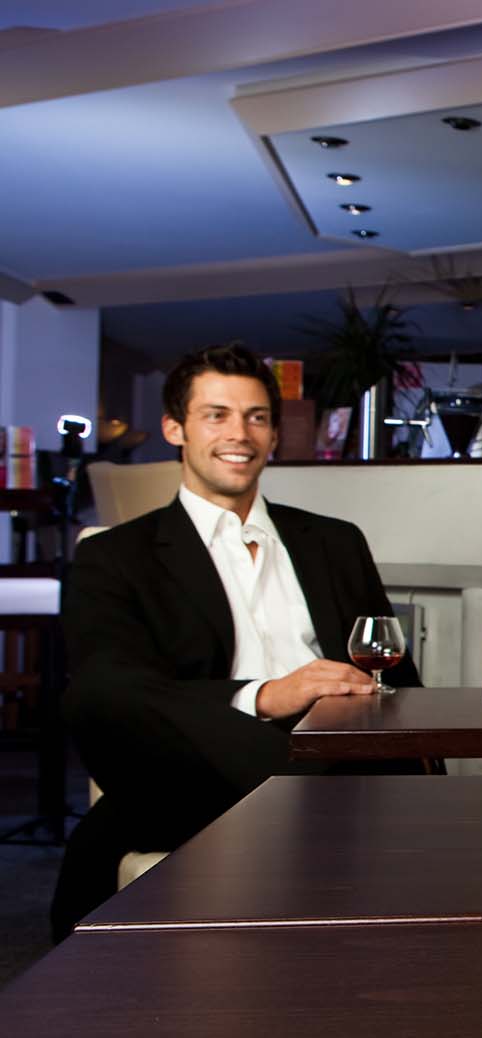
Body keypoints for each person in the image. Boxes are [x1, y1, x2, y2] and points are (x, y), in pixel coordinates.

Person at [52, 344, 421, 938]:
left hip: (334, 749)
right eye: (216, 414)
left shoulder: (334, 542)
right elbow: (112, 690)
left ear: (273, 433)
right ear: (176, 428)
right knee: (104, 694)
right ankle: (305, 801)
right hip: (196, 767)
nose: (240, 434)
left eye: (256, 417)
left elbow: (397, 678)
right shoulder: (114, 557)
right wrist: (262, 696)